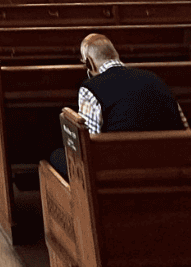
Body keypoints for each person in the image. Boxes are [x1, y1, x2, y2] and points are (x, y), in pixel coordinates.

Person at [49, 32, 188, 180]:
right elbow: (184, 127)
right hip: (172, 169)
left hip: (119, 174)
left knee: (56, 156)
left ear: (89, 63)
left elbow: (89, 145)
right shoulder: (155, 79)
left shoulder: (90, 88)